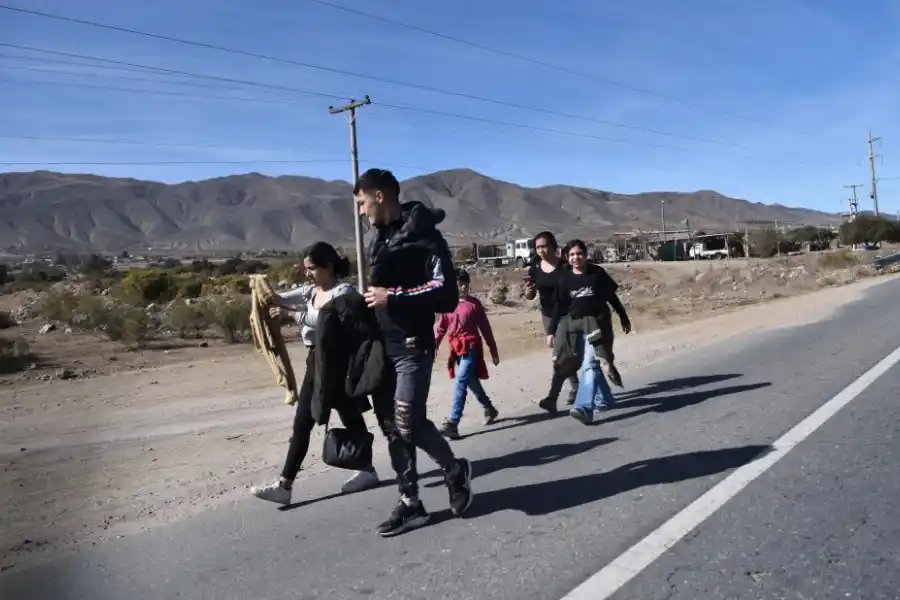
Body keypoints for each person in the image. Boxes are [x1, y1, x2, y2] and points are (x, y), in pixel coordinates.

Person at [354, 167, 474, 537]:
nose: (361, 211)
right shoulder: (379, 237)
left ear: (379, 197)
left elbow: (446, 292)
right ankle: (410, 503)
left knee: (407, 420)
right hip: (382, 345)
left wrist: (394, 296)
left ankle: (454, 470)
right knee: (393, 428)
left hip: (412, 345)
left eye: (362, 203)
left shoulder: (425, 236)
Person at [250, 242, 380, 505]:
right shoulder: (311, 291)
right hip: (316, 361)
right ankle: (286, 485)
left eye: (312, 268)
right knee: (311, 420)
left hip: (337, 363)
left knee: (344, 416)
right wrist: (262, 290)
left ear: (328, 266)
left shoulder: (344, 294)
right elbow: (283, 298)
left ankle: (364, 470)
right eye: (306, 269)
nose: (307, 273)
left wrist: (292, 316)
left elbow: (326, 321)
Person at [549, 239, 632, 424]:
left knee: (590, 363)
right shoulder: (565, 278)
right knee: (592, 364)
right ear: (566, 257)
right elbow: (559, 307)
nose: (576, 257)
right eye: (572, 254)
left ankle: (584, 407)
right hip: (577, 327)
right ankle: (604, 399)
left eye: (579, 253)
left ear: (586, 255)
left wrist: (623, 317)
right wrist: (551, 330)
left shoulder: (597, 274)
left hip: (599, 326)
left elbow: (612, 298)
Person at [434, 269, 500, 440]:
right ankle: (489, 408)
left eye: (465, 284)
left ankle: (453, 422)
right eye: (459, 284)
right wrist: (434, 347)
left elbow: (485, 329)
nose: (462, 287)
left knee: (461, 380)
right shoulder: (447, 304)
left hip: (471, 347)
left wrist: (493, 350)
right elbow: (441, 328)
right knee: (471, 382)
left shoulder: (474, 305)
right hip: (456, 349)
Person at [524, 231, 579, 412]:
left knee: (559, 354)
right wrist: (529, 292)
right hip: (548, 315)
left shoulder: (564, 267)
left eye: (545, 246)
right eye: (538, 247)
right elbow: (531, 294)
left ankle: (555, 396)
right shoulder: (535, 268)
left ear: (553, 246)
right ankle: (577, 385)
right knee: (563, 354)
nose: (541, 250)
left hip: (567, 314)